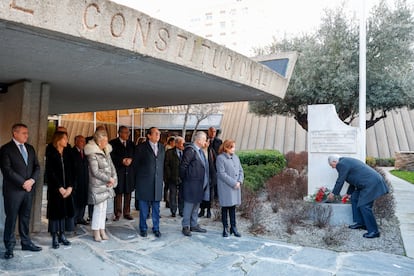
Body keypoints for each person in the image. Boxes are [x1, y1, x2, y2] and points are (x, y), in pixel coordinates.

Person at [0, 123, 42, 259]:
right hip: (13, 191)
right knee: (11, 219)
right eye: (24, 133)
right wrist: (23, 183)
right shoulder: (6, 149)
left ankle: (26, 242)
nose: (26, 135)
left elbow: (37, 167)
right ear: (15, 133)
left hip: (28, 190)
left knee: (25, 218)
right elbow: (7, 170)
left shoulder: (30, 148)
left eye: (27, 133)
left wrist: (31, 181)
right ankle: (9, 247)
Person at [327, 155, 389, 238]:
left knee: (365, 205)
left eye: (332, 165)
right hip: (366, 183)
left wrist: (333, 193)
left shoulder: (341, 164)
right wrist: (349, 193)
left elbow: (340, 180)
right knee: (354, 197)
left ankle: (374, 231)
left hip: (371, 183)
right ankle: (361, 223)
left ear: (334, 162)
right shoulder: (345, 161)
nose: (333, 168)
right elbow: (353, 178)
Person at [84, 130, 117, 242]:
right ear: (99, 141)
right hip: (97, 185)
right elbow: (95, 171)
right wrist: (109, 179)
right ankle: (96, 231)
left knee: (104, 209)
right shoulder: (92, 153)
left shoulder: (106, 151)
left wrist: (114, 179)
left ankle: (102, 229)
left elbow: (112, 166)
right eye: (105, 141)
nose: (107, 143)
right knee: (98, 209)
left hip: (106, 185)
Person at [46, 131, 75, 249]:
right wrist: (59, 187)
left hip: (67, 188)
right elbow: (50, 173)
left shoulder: (68, 153)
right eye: (65, 139)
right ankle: (54, 235)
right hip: (55, 189)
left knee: (64, 212)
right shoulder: (51, 153)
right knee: (54, 213)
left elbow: (72, 171)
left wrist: (70, 186)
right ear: (58, 140)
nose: (67, 141)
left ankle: (62, 234)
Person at [134, 127, 165, 238]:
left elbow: (162, 165)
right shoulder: (141, 148)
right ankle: (143, 228)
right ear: (149, 135)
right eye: (156, 133)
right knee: (143, 208)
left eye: (159, 133)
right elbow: (135, 165)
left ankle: (156, 228)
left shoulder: (162, 147)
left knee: (156, 208)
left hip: (157, 183)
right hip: (144, 183)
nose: (158, 135)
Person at [180, 131, 209, 237]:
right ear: (199, 140)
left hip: (199, 184)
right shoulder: (190, 151)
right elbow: (183, 167)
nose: (205, 141)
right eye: (204, 139)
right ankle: (186, 226)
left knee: (196, 205)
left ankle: (194, 224)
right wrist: (186, 180)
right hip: (191, 184)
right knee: (189, 206)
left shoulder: (200, 151)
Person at [216, 139, 244, 237]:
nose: (234, 149)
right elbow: (221, 174)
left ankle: (233, 227)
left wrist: (239, 181)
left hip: (235, 187)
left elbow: (241, 170)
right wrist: (234, 183)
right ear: (226, 148)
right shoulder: (220, 158)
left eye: (234, 147)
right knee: (225, 207)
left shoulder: (236, 157)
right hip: (226, 187)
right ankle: (225, 228)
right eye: (232, 147)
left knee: (232, 207)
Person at [110, 126, 135, 221]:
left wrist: (130, 159)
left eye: (128, 132)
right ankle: (117, 213)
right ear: (120, 133)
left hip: (129, 172)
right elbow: (111, 156)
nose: (128, 134)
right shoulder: (113, 143)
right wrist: (122, 160)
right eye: (125, 132)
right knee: (118, 193)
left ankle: (127, 212)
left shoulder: (131, 143)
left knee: (128, 193)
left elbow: (134, 154)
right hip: (119, 171)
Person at [164, 136, 185, 217]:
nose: (183, 144)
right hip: (172, 177)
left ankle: (181, 210)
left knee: (182, 195)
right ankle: (173, 211)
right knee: (173, 195)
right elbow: (166, 165)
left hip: (183, 178)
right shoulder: (169, 152)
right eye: (181, 143)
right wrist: (170, 176)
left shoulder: (185, 152)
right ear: (176, 143)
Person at [71, 135, 89, 226]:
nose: (83, 143)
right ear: (76, 142)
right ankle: (74, 219)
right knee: (76, 201)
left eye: (84, 141)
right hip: (76, 181)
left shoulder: (85, 153)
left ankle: (80, 217)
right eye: (81, 141)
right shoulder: (72, 152)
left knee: (83, 200)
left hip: (85, 181)